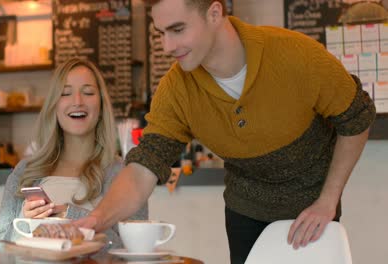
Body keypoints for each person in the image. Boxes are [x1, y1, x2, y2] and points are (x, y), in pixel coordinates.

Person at [75, 0, 376, 262]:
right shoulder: (176, 89)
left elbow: (357, 119)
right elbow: (144, 168)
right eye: (161, 33)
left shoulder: (296, 55)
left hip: (314, 210)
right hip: (245, 210)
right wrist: (94, 220)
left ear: (214, 14)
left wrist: (328, 200)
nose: (167, 46)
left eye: (178, 30)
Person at [0, 58, 148, 252]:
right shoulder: (25, 171)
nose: (77, 101)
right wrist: (23, 227)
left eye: (88, 92)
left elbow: (137, 253)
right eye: (65, 93)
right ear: (54, 105)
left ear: (102, 105)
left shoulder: (126, 176)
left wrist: (68, 215)